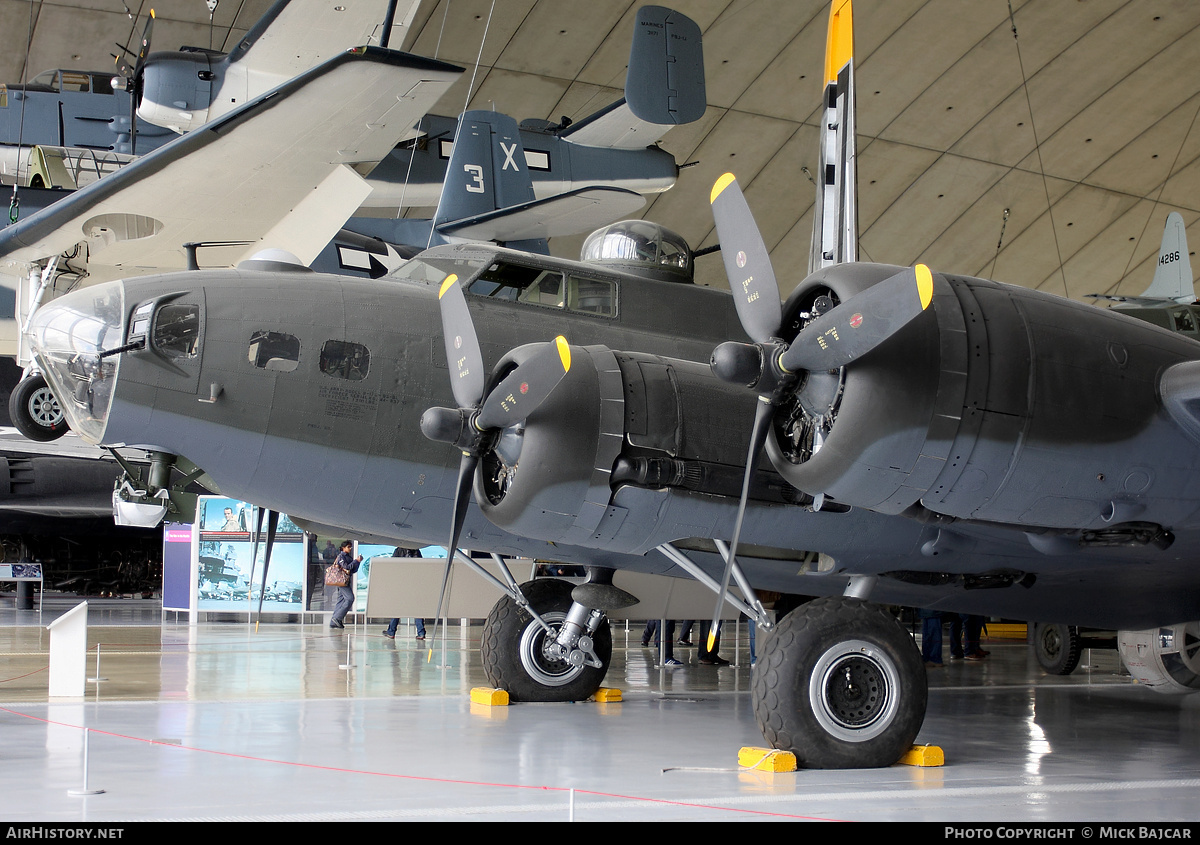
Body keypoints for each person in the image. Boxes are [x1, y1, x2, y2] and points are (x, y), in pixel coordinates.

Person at [384, 547, 425, 639]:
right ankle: (421, 632)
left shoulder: (398, 550)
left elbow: (393, 566)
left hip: (401, 583)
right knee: (417, 608)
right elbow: (422, 565)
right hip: (414, 584)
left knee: (397, 608)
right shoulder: (416, 551)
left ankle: (391, 632)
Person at [327, 540, 361, 629]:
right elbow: (346, 567)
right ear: (343, 548)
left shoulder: (348, 557)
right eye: (348, 547)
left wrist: (357, 562)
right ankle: (337, 618)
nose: (350, 548)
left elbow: (353, 570)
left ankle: (333, 622)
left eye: (350, 547)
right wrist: (356, 561)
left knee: (341, 601)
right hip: (341, 582)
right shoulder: (341, 556)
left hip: (345, 581)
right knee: (350, 598)